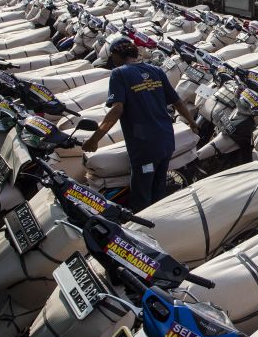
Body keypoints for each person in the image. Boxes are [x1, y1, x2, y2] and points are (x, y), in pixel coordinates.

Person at [82, 38, 198, 211]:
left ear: (116, 55)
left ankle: (140, 228)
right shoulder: (156, 71)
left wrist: (94, 139)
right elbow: (178, 102)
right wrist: (192, 122)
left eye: (112, 56)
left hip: (145, 144)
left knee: (142, 194)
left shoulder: (119, 74)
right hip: (166, 139)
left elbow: (116, 110)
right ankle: (158, 219)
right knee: (158, 187)